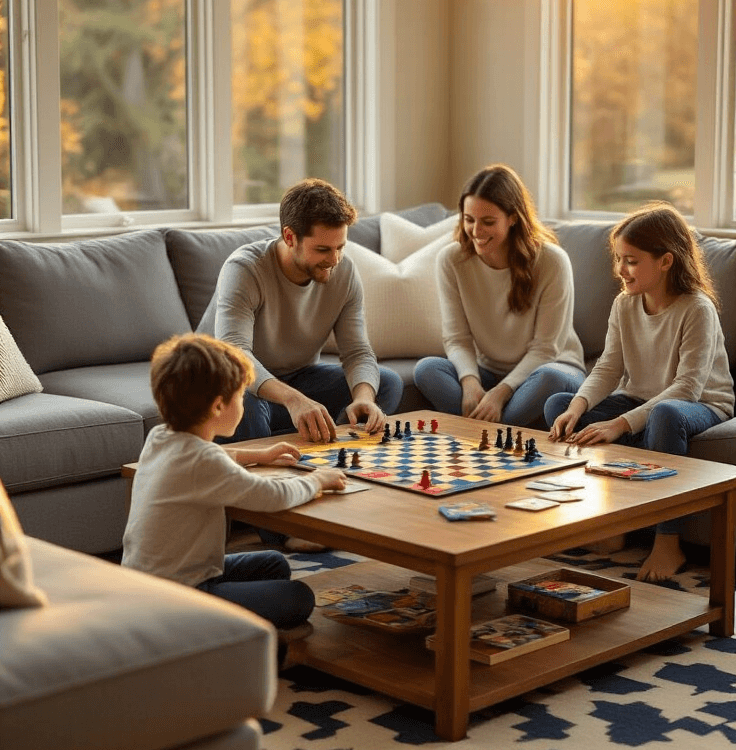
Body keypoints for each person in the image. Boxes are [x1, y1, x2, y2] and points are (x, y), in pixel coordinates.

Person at [544, 202, 735, 583]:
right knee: (559, 405)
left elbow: (687, 387)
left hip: (702, 404)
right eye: (618, 259)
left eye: (631, 261)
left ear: (666, 260)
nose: (620, 270)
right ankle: (610, 525)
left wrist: (619, 425)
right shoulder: (624, 304)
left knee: (664, 416)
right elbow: (608, 367)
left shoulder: (697, 308)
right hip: (638, 399)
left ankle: (668, 541)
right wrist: (578, 406)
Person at [122, 333, 346, 635]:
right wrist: (317, 479)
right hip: (178, 596)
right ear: (217, 407)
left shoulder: (161, 437)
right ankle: (217, 632)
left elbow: (214, 456)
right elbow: (273, 496)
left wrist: (260, 454)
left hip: (146, 582)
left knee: (273, 565)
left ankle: (242, 623)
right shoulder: (205, 462)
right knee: (300, 598)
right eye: (241, 396)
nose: (243, 403)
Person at [214, 177, 403, 443]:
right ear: (290, 237)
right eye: (323, 249)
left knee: (386, 383)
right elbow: (234, 354)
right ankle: (268, 472)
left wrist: (363, 399)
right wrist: (295, 400)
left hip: (297, 377)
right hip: (230, 382)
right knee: (245, 405)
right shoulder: (245, 269)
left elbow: (357, 351)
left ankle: (326, 450)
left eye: (340, 247)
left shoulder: (344, 272)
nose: (334, 260)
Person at [413, 164, 586, 426]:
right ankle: (496, 434)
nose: (476, 231)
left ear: (513, 218)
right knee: (426, 369)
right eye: (469, 220)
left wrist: (500, 394)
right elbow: (457, 338)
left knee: (550, 379)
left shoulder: (552, 261)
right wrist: (470, 381)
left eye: (488, 222)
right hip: (488, 372)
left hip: (550, 368)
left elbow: (546, 348)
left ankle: (480, 433)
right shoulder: (451, 260)